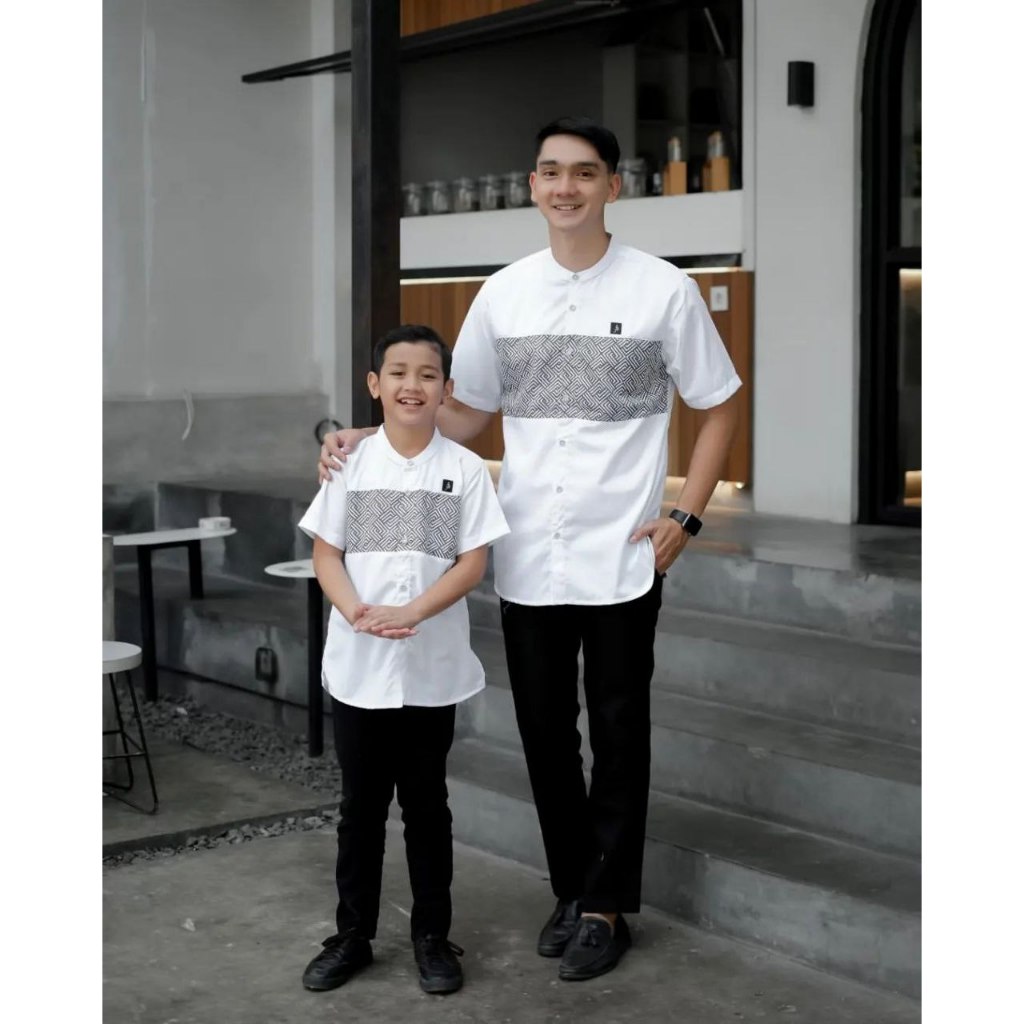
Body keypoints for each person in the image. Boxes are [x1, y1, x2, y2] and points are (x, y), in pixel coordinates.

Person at [320, 117, 741, 982]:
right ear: (533, 186)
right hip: (526, 558)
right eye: (550, 172)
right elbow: (466, 415)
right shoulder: (503, 295)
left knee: (619, 733)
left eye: (584, 173)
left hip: (623, 554)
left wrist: (687, 516)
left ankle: (607, 906)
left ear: (612, 186)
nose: (565, 187)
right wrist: (373, 431)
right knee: (545, 736)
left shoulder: (664, 290)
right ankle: (571, 889)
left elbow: (721, 404)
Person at [299, 324, 509, 996]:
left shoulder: (466, 470)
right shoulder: (349, 466)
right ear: (375, 384)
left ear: (446, 389)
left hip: (429, 669)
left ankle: (432, 938)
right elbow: (326, 553)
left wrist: (414, 611)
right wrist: (357, 612)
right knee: (360, 808)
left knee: (426, 806)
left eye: (426, 374)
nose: (411, 385)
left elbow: (472, 562)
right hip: (358, 666)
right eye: (398, 372)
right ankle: (352, 937)